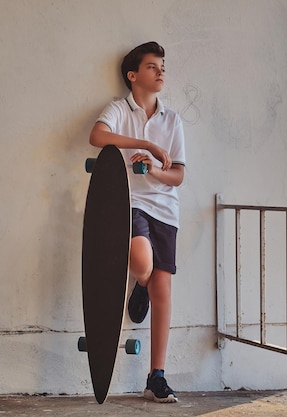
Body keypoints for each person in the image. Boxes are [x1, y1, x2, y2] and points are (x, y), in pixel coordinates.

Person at [89, 41, 185, 403]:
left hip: (166, 209)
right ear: (133, 75)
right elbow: (96, 136)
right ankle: (140, 282)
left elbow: (178, 176)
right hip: (128, 203)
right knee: (142, 262)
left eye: (162, 66)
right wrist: (142, 144)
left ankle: (156, 377)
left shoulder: (172, 119)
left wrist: (157, 170)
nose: (160, 72)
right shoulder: (118, 109)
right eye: (152, 67)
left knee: (164, 290)